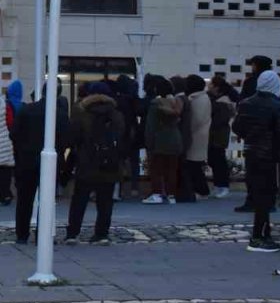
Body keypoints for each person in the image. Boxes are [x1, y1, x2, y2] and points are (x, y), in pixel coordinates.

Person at [232, 71, 280, 253]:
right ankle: (259, 237)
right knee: (266, 198)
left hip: (251, 153)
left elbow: (237, 127)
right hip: (268, 156)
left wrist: (251, 135)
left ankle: (261, 236)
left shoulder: (245, 104)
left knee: (258, 195)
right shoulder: (277, 106)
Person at [64, 83, 129, 245]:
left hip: (86, 163)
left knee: (79, 200)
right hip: (110, 165)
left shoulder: (81, 113)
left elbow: (72, 138)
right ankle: (101, 234)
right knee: (105, 202)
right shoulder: (117, 115)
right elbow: (123, 139)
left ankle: (72, 233)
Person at [12, 90, 69, 244]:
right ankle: (42, 234)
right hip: (50, 162)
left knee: (24, 199)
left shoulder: (26, 110)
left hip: (27, 159)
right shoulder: (60, 114)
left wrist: (22, 149)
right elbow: (66, 139)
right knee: (46, 200)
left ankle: (22, 234)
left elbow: (14, 134)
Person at [143, 77, 183, 204]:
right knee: (172, 170)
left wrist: (148, 142)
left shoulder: (156, 104)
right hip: (175, 138)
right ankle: (171, 196)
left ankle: (157, 194)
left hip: (159, 139)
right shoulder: (176, 103)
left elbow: (151, 126)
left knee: (156, 169)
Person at [182, 75, 213, 200]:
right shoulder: (201, 98)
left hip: (196, 135)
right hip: (200, 134)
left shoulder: (198, 99)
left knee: (194, 165)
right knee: (195, 165)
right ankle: (200, 190)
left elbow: (197, 119)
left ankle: (201, 190)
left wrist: (187, 130)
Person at [207, 76, 237, 199]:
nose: (208, 86)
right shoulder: (217, 99)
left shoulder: (223, 101)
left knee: (218, 160)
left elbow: (220, 120)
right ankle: (218, 185)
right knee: (214, 159)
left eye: (211, 84)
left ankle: (223, 185)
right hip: (215, 134)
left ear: (216, 87)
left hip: (218, 135)